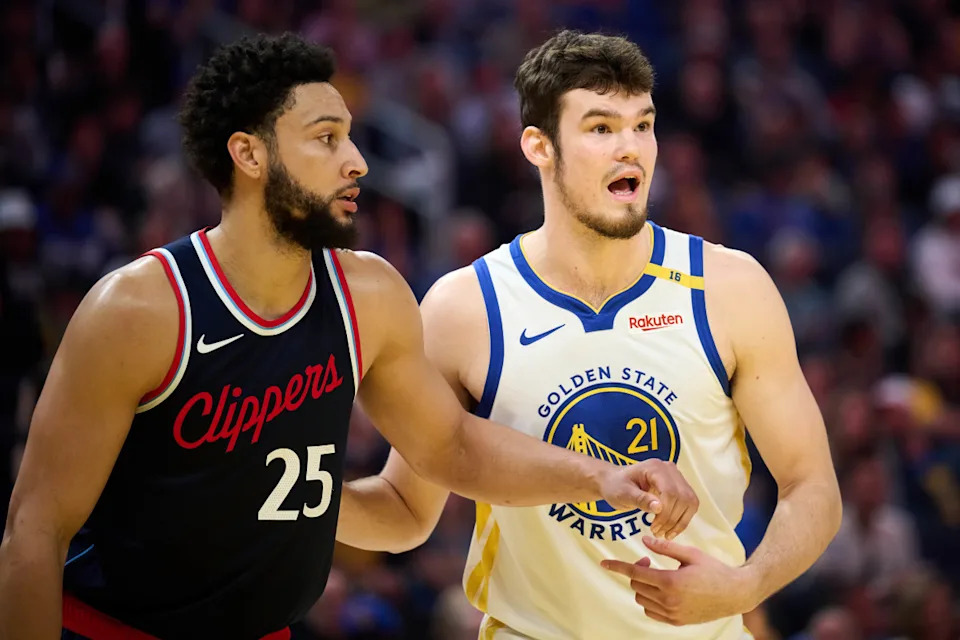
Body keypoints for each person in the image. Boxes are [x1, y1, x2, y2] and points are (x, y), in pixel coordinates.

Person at [0, 34, 700, 640]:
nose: (357, 160)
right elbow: (33, 535)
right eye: (327, 138)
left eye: (351, 136)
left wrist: (599, 476)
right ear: (249, 154)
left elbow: (448, 451)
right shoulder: (140, 309)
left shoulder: (368, 295)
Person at [335, 30, 842, 639]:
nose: (630, 148)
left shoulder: (729, 287)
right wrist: (280, 493)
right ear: (539, 146)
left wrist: (747, 585)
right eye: (601, 128)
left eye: (643, 125)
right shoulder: (464, 308)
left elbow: (812, 487)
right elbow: (404, 510)